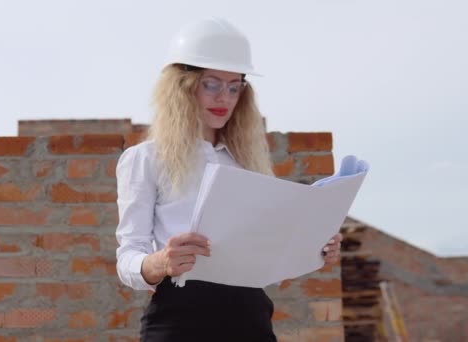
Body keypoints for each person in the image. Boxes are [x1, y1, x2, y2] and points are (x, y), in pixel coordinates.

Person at [115, 17, 342, 342]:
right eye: (212, 84)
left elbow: (269, 252)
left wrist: (315, 248)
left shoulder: (246, 161)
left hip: (250, 317)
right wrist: (160, 261)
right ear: (182, 86)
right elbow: (128, 258)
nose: (225, 97)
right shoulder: (146, 159)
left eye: (235, 86)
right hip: (180, 320)